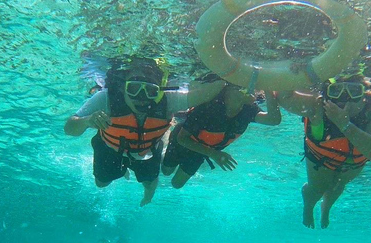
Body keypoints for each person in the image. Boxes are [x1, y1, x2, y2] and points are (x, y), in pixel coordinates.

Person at [64, 56, 225, 206]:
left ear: (159, 91)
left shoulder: (168, 100)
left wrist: (231, 74)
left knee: (149, 184)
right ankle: (123, 169)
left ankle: (147, 196)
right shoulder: (105, 98)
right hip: (109, 147)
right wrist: (87, 121)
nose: (141, 97)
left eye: (151, 91)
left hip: (147, 149)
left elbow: (204, 94)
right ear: (123, 87)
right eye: (133, 88)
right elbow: (69, 128)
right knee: (101, 184)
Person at [279, 73, 371, 229]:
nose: (344, 98)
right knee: (318, 187)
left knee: (338, 185)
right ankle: (308, 207)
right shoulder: (317, 105)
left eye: (354, 91)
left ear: (365, 96)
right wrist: (303, 73)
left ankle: (326, 209)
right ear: (327, 93)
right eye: (336, 90)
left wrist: (344, 124)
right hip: (321, 158)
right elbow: (283, 97)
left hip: (351, 163)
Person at [162, 78, 282, 188]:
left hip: (202, 151)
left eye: (251, 87)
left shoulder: (248, 110)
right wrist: (214, 154)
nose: (252, 91)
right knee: (166, 172)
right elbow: (182, 138)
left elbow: (273, 119)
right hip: (183, 141)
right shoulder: (208, 108)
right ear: (227, 91)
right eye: (243, 87)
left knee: (176, 184)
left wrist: (268, 86)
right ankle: (166, 139)